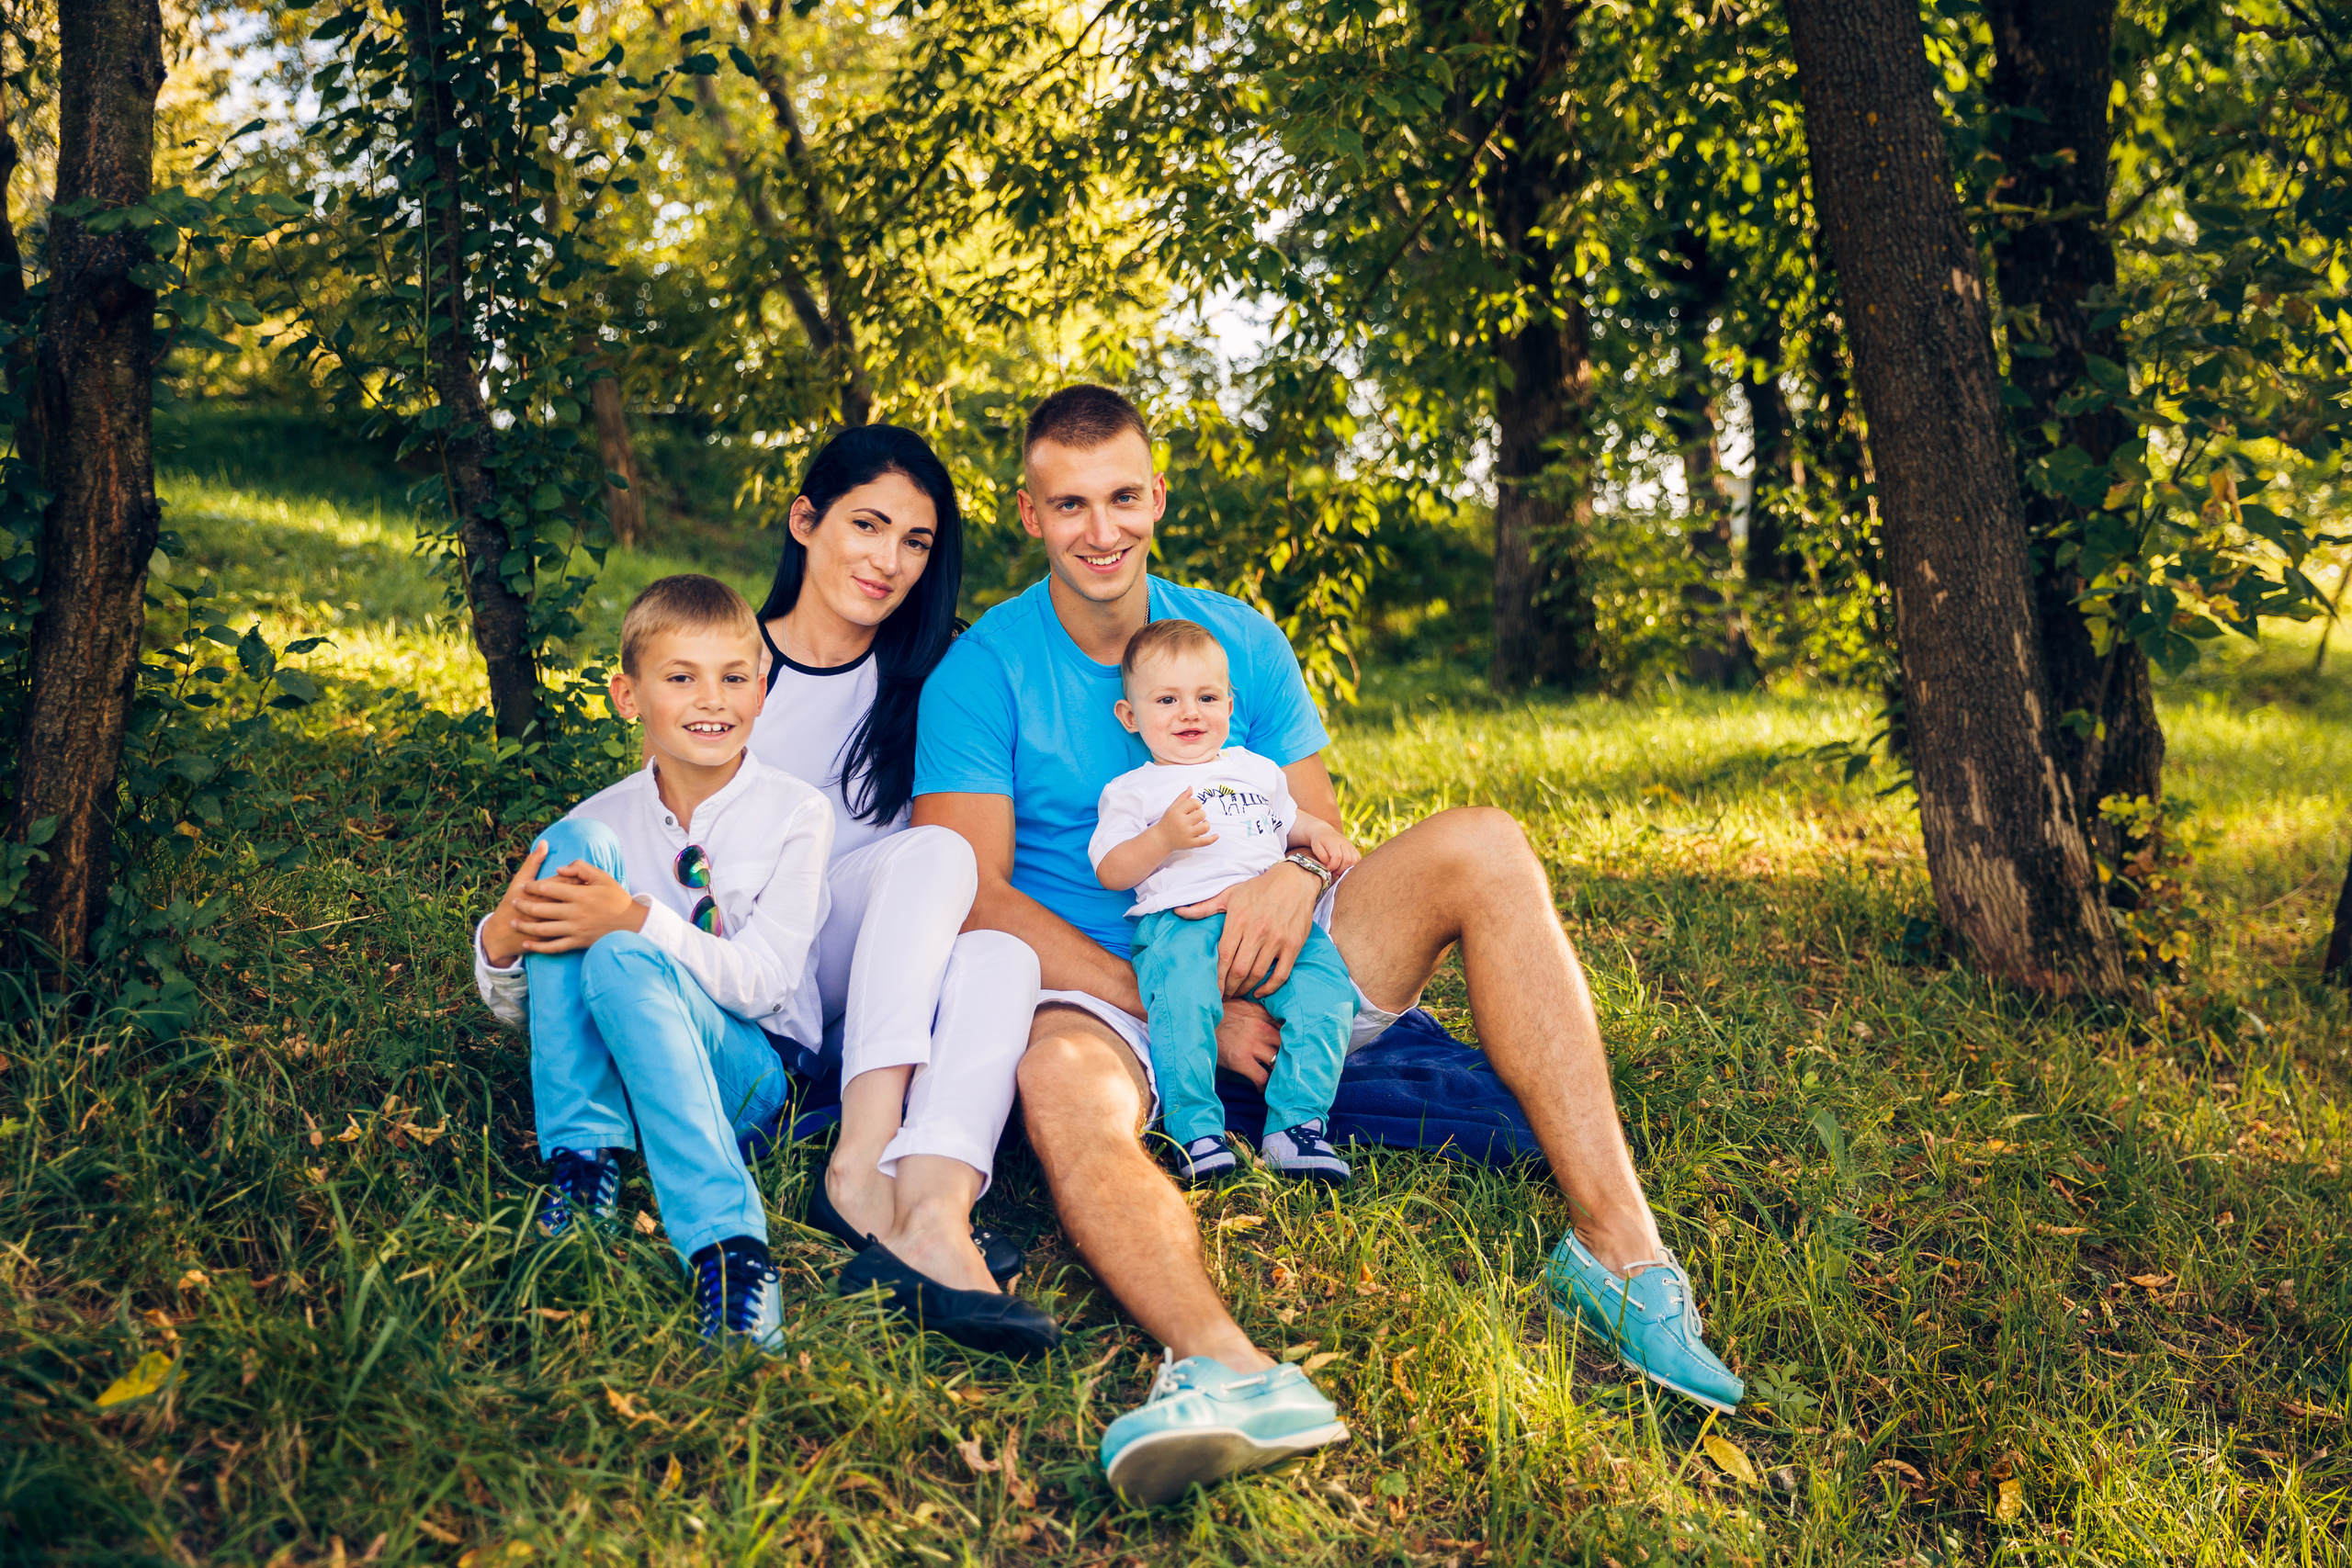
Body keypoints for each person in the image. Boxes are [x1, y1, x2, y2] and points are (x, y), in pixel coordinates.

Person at [911, 385, 1742, 1504]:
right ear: (1028, 513)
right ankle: (1225, 1367)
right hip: (1106, 990)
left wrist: (1295, 878)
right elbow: (968, 893)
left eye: (1120, 497)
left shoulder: (1237, 639)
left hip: (1278, 956)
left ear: (1157, 495)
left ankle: (1621, 1256)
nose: (1100, 531)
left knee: (1483, 843)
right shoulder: (983, 670)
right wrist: (1177, 1013)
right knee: (1053, 1077)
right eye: (1070, 505)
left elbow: (1325, 829)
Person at [744, 423, 1057, 1358]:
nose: (888, 562)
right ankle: (856, 1171)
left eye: (915, 543)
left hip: (874, 989)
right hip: (763, 970)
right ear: (806, 520)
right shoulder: (728, 662)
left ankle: (930, 1210)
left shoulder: (929, 678)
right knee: (931, 854)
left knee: (1004, 953)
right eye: (867, 525)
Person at [474, 574, 832, 1353]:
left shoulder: (798, 813)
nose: (713, 700)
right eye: (681, 678)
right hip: (629, 1077)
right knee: (572, 859)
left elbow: (765, 984)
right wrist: (501, 943)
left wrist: (636, 918)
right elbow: (540, 1011)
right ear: (628, 696)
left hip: (750, 1073)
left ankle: (732, 1252)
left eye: (734, 678)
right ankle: (584, 1162)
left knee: (624, 956)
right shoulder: (596, 820)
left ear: (763, 691)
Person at [1089, 618, 1360, 1185]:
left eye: (1206, 697)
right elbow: (1112, 869)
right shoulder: (1134, 790)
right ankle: (1195, 1130)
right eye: (1167, 699)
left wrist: (1319, 835)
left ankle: (1296, 1125)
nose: (1190, 713)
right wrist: (1161, 838)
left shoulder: (1255, 771)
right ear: (1130, 717)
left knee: (1326, 991)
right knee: (1183, 1006)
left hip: (1269, 925)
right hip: (1179, 926)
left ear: (1230, 705)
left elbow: (1289, 821)